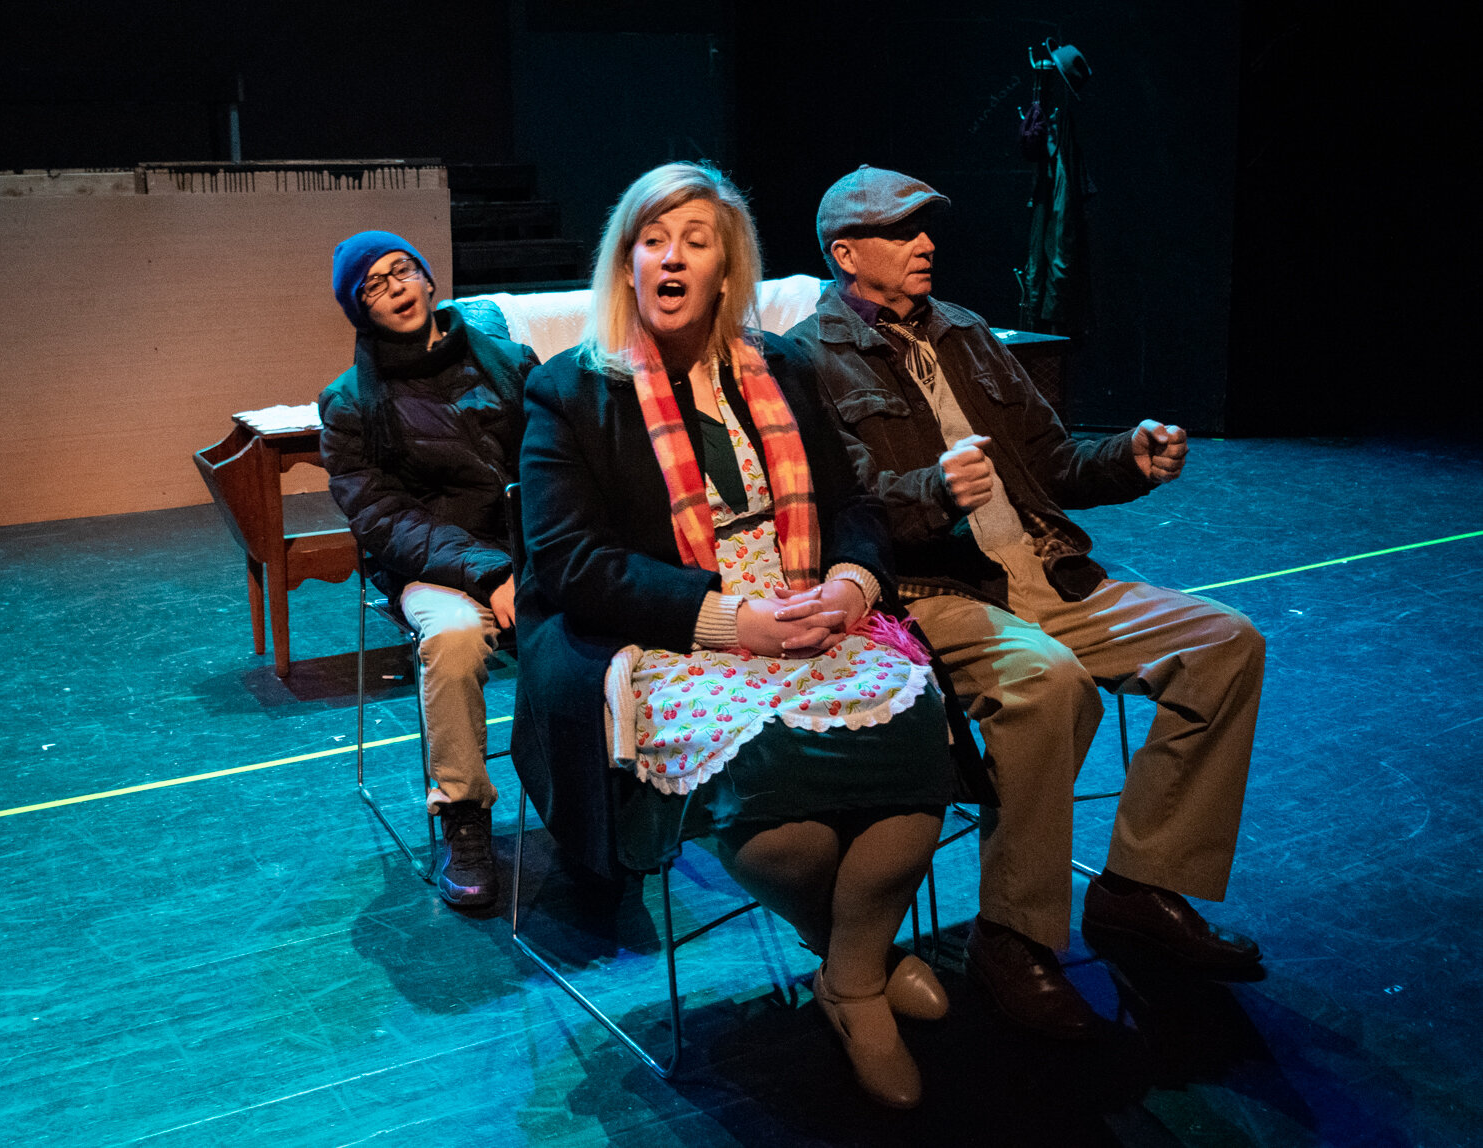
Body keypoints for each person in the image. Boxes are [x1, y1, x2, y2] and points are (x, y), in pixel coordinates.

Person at [785, 166, 1267, 1040]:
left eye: (927, 229)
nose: (927, 244)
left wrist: (1129, 456)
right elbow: (828, 513)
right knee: (1048, 682)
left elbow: (1055, 464)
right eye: (902, 232)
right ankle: (1014, 936)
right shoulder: (803, 357)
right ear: (846, 254)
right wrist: (933, 489)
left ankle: (1137, 889)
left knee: (1225, 641)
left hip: (1049, 573)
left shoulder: (966, 331)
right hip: (936, 590)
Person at [513, 163, 954, 1108]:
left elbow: (854, 505)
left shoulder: (784, 366)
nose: (672, 257)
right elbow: (571, 565)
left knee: (918, 749)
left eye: (695, 241)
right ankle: (858, 963)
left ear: (727, 269)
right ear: (627, 261)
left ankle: (853, 967)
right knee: (778, 824)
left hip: (809, 605)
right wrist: (729, 620)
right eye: (653, 239)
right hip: (674, 631)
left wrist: (851, 581)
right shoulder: (569, 391)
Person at [320, 231, 538, 910]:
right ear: (361, 311)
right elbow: (384, 519)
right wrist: (491, 572)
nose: (398, 288)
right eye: (376, 285)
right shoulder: (350, 404)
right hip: (433, 568)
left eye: (404, 271)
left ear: (429, 280)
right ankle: (464, 817)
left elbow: (559, 462)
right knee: (453, 638)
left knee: (613, 608)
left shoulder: (511, 363)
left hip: (532, 553)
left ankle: (599, 791)